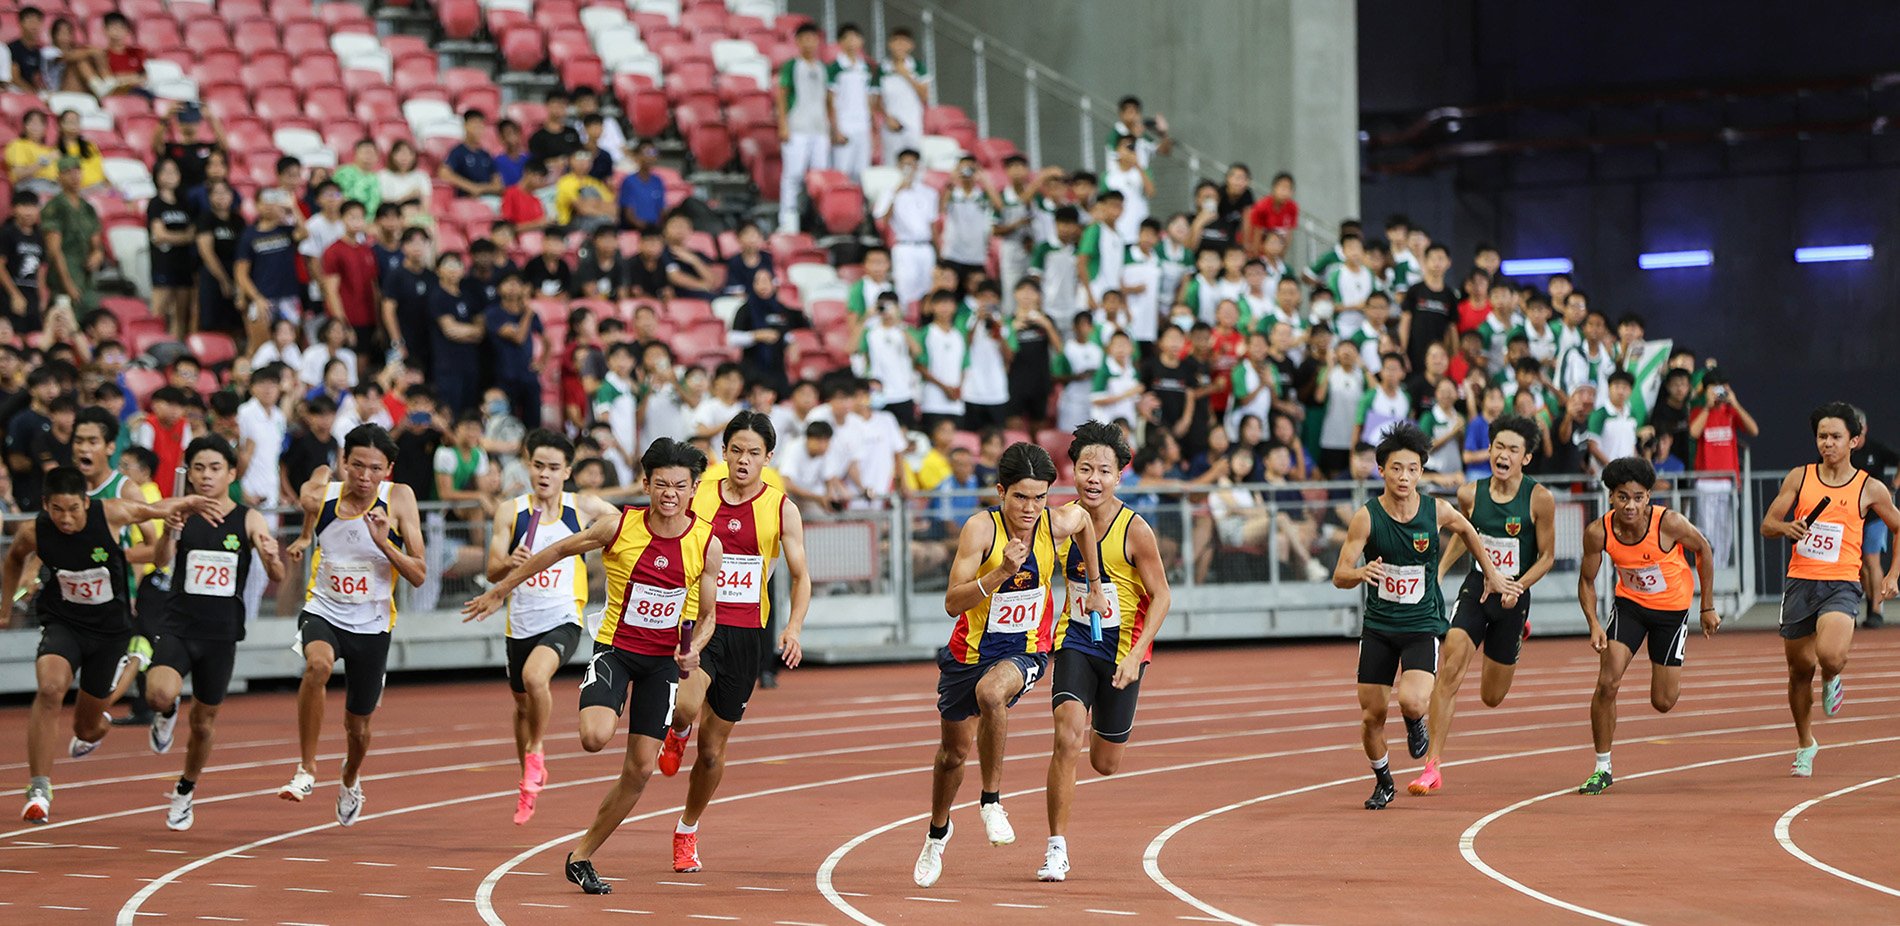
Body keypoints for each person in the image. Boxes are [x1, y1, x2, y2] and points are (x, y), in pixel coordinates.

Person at [464, 438, 724, 894]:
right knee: (593, 738)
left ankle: (581, 855)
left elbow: (707, 617)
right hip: (616, 652)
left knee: (641, 769)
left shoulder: (706, 542)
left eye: (680, 486)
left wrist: (695, 648)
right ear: (645, 483)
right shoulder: (616, 527)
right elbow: (556, 553)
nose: (670, 494)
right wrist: (500, 589)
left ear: (694, 488)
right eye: (661, 484)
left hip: (662, 664)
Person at [912, 443, 1107, 888]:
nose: (1031, 508)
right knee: (952, 756)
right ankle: (937, 833)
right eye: (1021, 497)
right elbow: (951, 603)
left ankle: (991, 801)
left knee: (992, 694)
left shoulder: (1056, 522)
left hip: (1026, 648)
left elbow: (1085, 524)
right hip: (968, 653)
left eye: (1039, 497)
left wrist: (1094, 584)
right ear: (1001, 492)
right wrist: (999, 573)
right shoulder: (980, 531)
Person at [1, 466, 217, 824]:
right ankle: (39, 787)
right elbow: (13, 560)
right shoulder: (35, 531)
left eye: (73, 509)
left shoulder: (111, 514)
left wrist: (189, 501)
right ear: (45, 505)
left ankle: (98, 724)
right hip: (64, 622)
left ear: (87, 502)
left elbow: (153, 509)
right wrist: (6, 606)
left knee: (86, 728)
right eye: (57, 510)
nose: (66, 519)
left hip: (109, 633)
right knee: (51, 688)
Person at [658, 412, 812, 871]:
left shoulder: (781, 508)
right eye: (737, 451)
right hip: (697, 621)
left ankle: (687, 829)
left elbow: (802, 577)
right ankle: (679, 728)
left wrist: (793, 627)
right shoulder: (700, 492)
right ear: (723, 452)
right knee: (686, 704)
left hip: (748, 633)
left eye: (754, 453)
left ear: (769, 458)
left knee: (713, 751)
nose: (744, 461)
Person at [1330, 424, 1512, 810]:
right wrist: (1360, 574)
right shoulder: (1366, 518)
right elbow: (1339, 574)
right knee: (1371, 716)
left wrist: (1492, 574)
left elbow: (1466, 528)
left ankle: (1416, 722)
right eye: (1396, 468)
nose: (1404, 477)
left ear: (1421, 472)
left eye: (1412, 469)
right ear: (1382, 470)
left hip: (1421, 625)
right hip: (1379, 627)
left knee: (1413, 701)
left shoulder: (1436, 510)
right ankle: (1383, 780)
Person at [1038, 421, 1171, 882]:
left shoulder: (1135, 530)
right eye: (1085, 468)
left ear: (1120, 477)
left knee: (1104, 762)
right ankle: (1056, 847)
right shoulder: (1067, 517)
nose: (1094, 478)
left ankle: (1104, 722)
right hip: (1074, 640)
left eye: (1104, 471)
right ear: (1071, 471)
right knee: (1066, 737)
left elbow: (1163, 597)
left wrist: (1136, 656)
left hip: (1122, 653)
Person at [466, 429, 621, 823]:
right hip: (520, 622)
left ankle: (537, 750)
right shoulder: (511, 512)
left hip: (563, 616)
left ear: (567, 470)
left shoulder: (581, 507)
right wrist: (509, 561)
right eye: (538, 466)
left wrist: (595, 541)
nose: (545, 475)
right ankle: (527, 777)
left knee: (537, 678)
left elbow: (620, 523)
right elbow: (492, 567)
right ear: (527, 464)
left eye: (554, 467)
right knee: (521, 705)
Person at [276, 425, 428, 825]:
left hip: (372, 624)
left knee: (357, 727)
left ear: (389, 469)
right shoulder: (326, 493)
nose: (364, 476)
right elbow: (311, 497)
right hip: (324, 610)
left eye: (375, 468)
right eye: (356, 465)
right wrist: (307, 534)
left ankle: (350, 775)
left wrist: (383, 542)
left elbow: (419, 574)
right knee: (317, 666)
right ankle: (306, 769)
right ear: (343, 461)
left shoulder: (399, 498)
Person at [1408, 416, 1555, 795]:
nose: (1503, 455)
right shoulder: (1471, 493)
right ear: (1488, 450)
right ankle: (1433, 766)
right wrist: (1440, 569)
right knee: (1451, 667)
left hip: (1513, 595)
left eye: (1513, 450)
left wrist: (1518, 585)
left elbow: (1548, 556)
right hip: (1478, 586)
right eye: (1498, 447)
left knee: (1492, 697)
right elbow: (1465, 534)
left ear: (1526, 458)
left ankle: (1517, 632)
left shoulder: (1539, 499)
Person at [144, 436, 284, 830]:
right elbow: (158, 564)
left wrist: (271, 556)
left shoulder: (248, 518)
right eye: (199, 469)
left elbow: (277, 573)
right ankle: (167, 712)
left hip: (220, 635)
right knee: (158, 693)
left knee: (204, 724)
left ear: (232, 473)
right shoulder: (181, 513)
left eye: (215, 468)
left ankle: (185, 790)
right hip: (178, 625)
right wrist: (169, 532)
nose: (206, 476)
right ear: (189, 474)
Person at [1760, 403, 1900, 777]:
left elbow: (1898, 525)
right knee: (1799, 670)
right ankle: (1806, 743)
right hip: (1800, 582)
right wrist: (1786, 528)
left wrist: (1892, 574)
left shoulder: (1869, 487)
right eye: (1822, 436)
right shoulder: (1800, 478)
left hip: (1841, 582)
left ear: (1854, 440)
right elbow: (1768, 523)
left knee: (1831, 655)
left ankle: (1833, 676)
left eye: (1836, 437)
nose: (1828, 443)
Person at [1577, 456, 1720, 794]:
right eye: (1623, 497)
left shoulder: (1669, 524)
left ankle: (1671, 667)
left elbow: (1703, 550)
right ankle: (1602, 766)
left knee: (1663, 701)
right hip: (1630, 607)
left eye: (1638, 497)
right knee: (1607, 683)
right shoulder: (1599, 531)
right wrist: (1594, 624)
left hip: (1671, 615)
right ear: (1611, 497)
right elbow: (1586, 581)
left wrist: (1707, 606)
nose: (1630, 505)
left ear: (1649, 498)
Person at [775, 23, 832, 232]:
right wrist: (783, 125)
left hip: (819, 130)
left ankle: (818, 219)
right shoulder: (791, 66)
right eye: (804, 38)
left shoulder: (822, 68)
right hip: (797, 128)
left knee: (819, 178)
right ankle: (787, 220)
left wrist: (832, 129)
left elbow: (828, 101)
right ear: (797, 42)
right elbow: (781, 96)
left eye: (813, 38)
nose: (809, 42)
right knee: (793, 176)